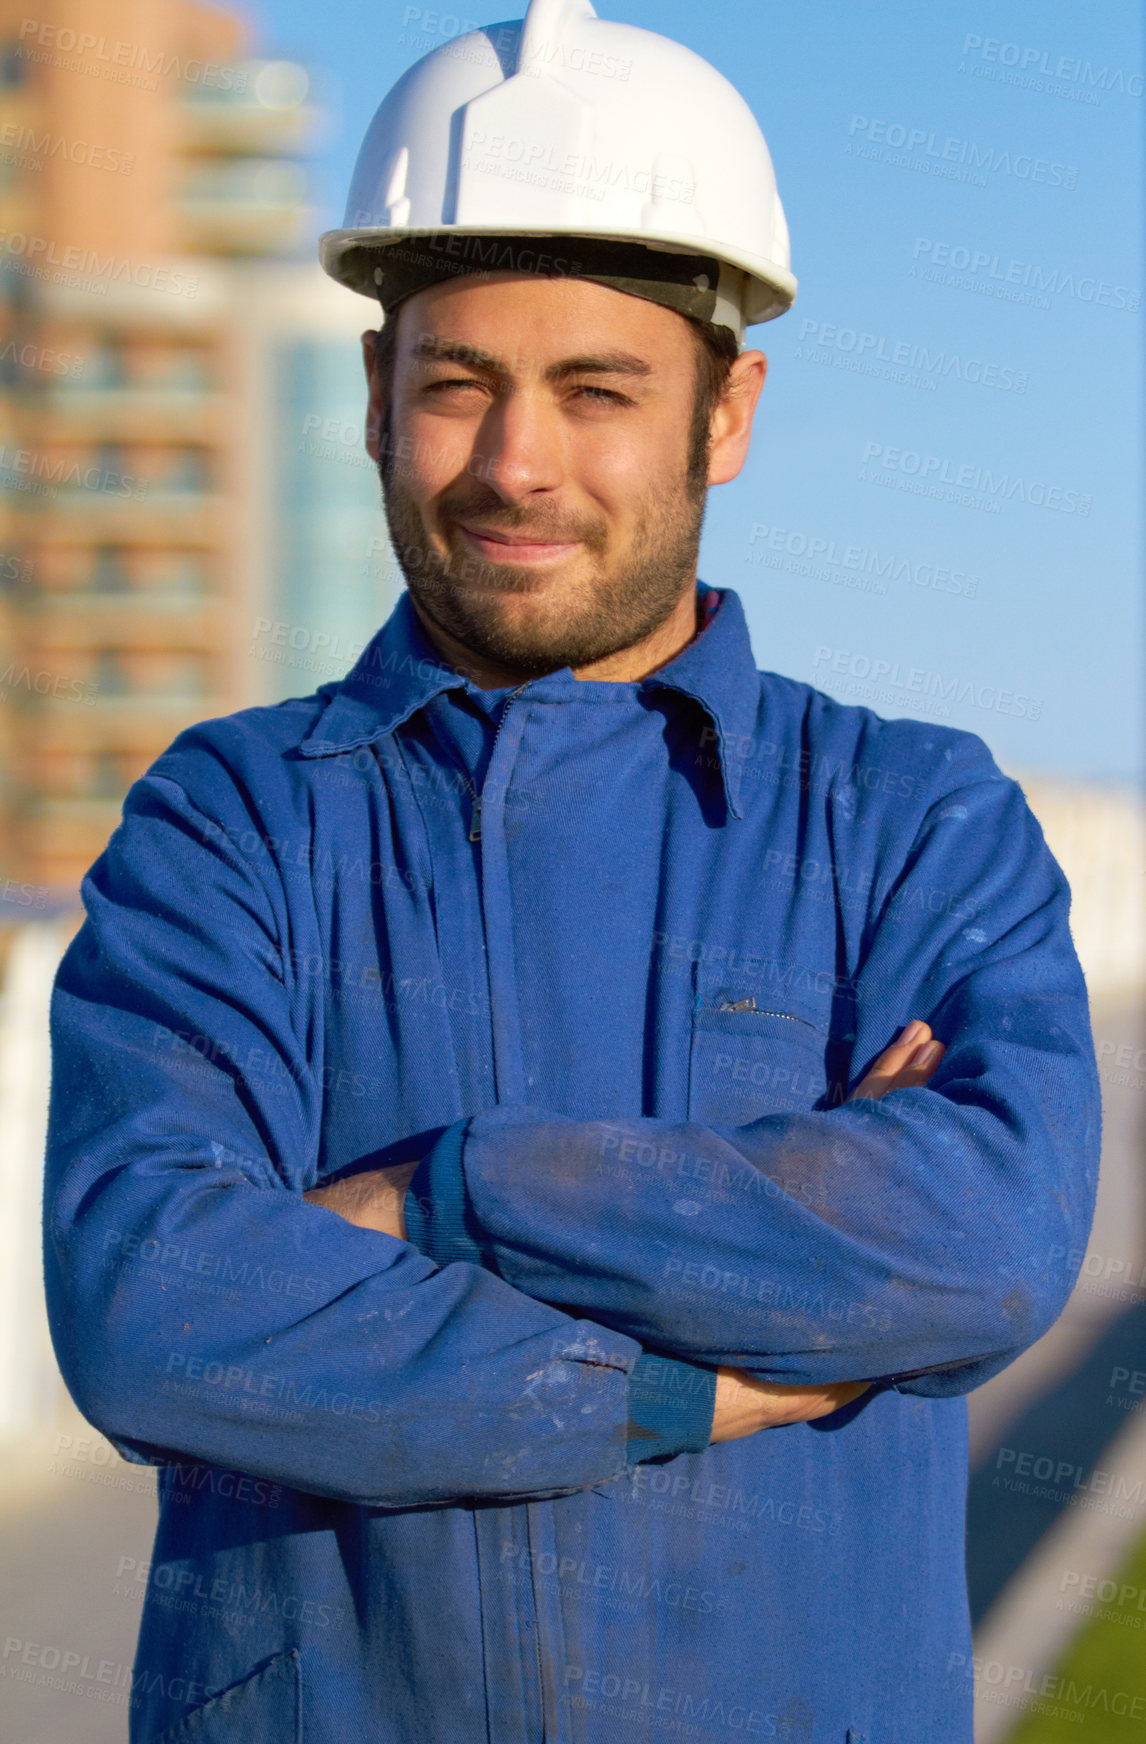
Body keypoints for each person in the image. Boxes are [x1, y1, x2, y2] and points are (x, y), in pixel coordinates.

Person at [43, 2, 1100, 1740]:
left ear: (726, 413)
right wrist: (676, 1383)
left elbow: (978, 1241)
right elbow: (156, 1308)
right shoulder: (231, 821)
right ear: (377, 402)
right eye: (455, 384)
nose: (514, 462)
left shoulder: (912, 817)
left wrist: (454, 1191)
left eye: (596, 393)